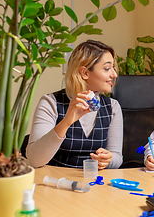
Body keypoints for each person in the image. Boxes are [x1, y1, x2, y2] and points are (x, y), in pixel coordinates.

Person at [26, 40, 123, 169]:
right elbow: (35, 160)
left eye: (113, 68)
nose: (114, 74)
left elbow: (117, 157)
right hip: (56, 182)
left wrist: (108, 160)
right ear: (85, 73)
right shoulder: (50, 103)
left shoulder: (112, 107)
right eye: (107, 68)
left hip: (95, 184)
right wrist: (66, 122)